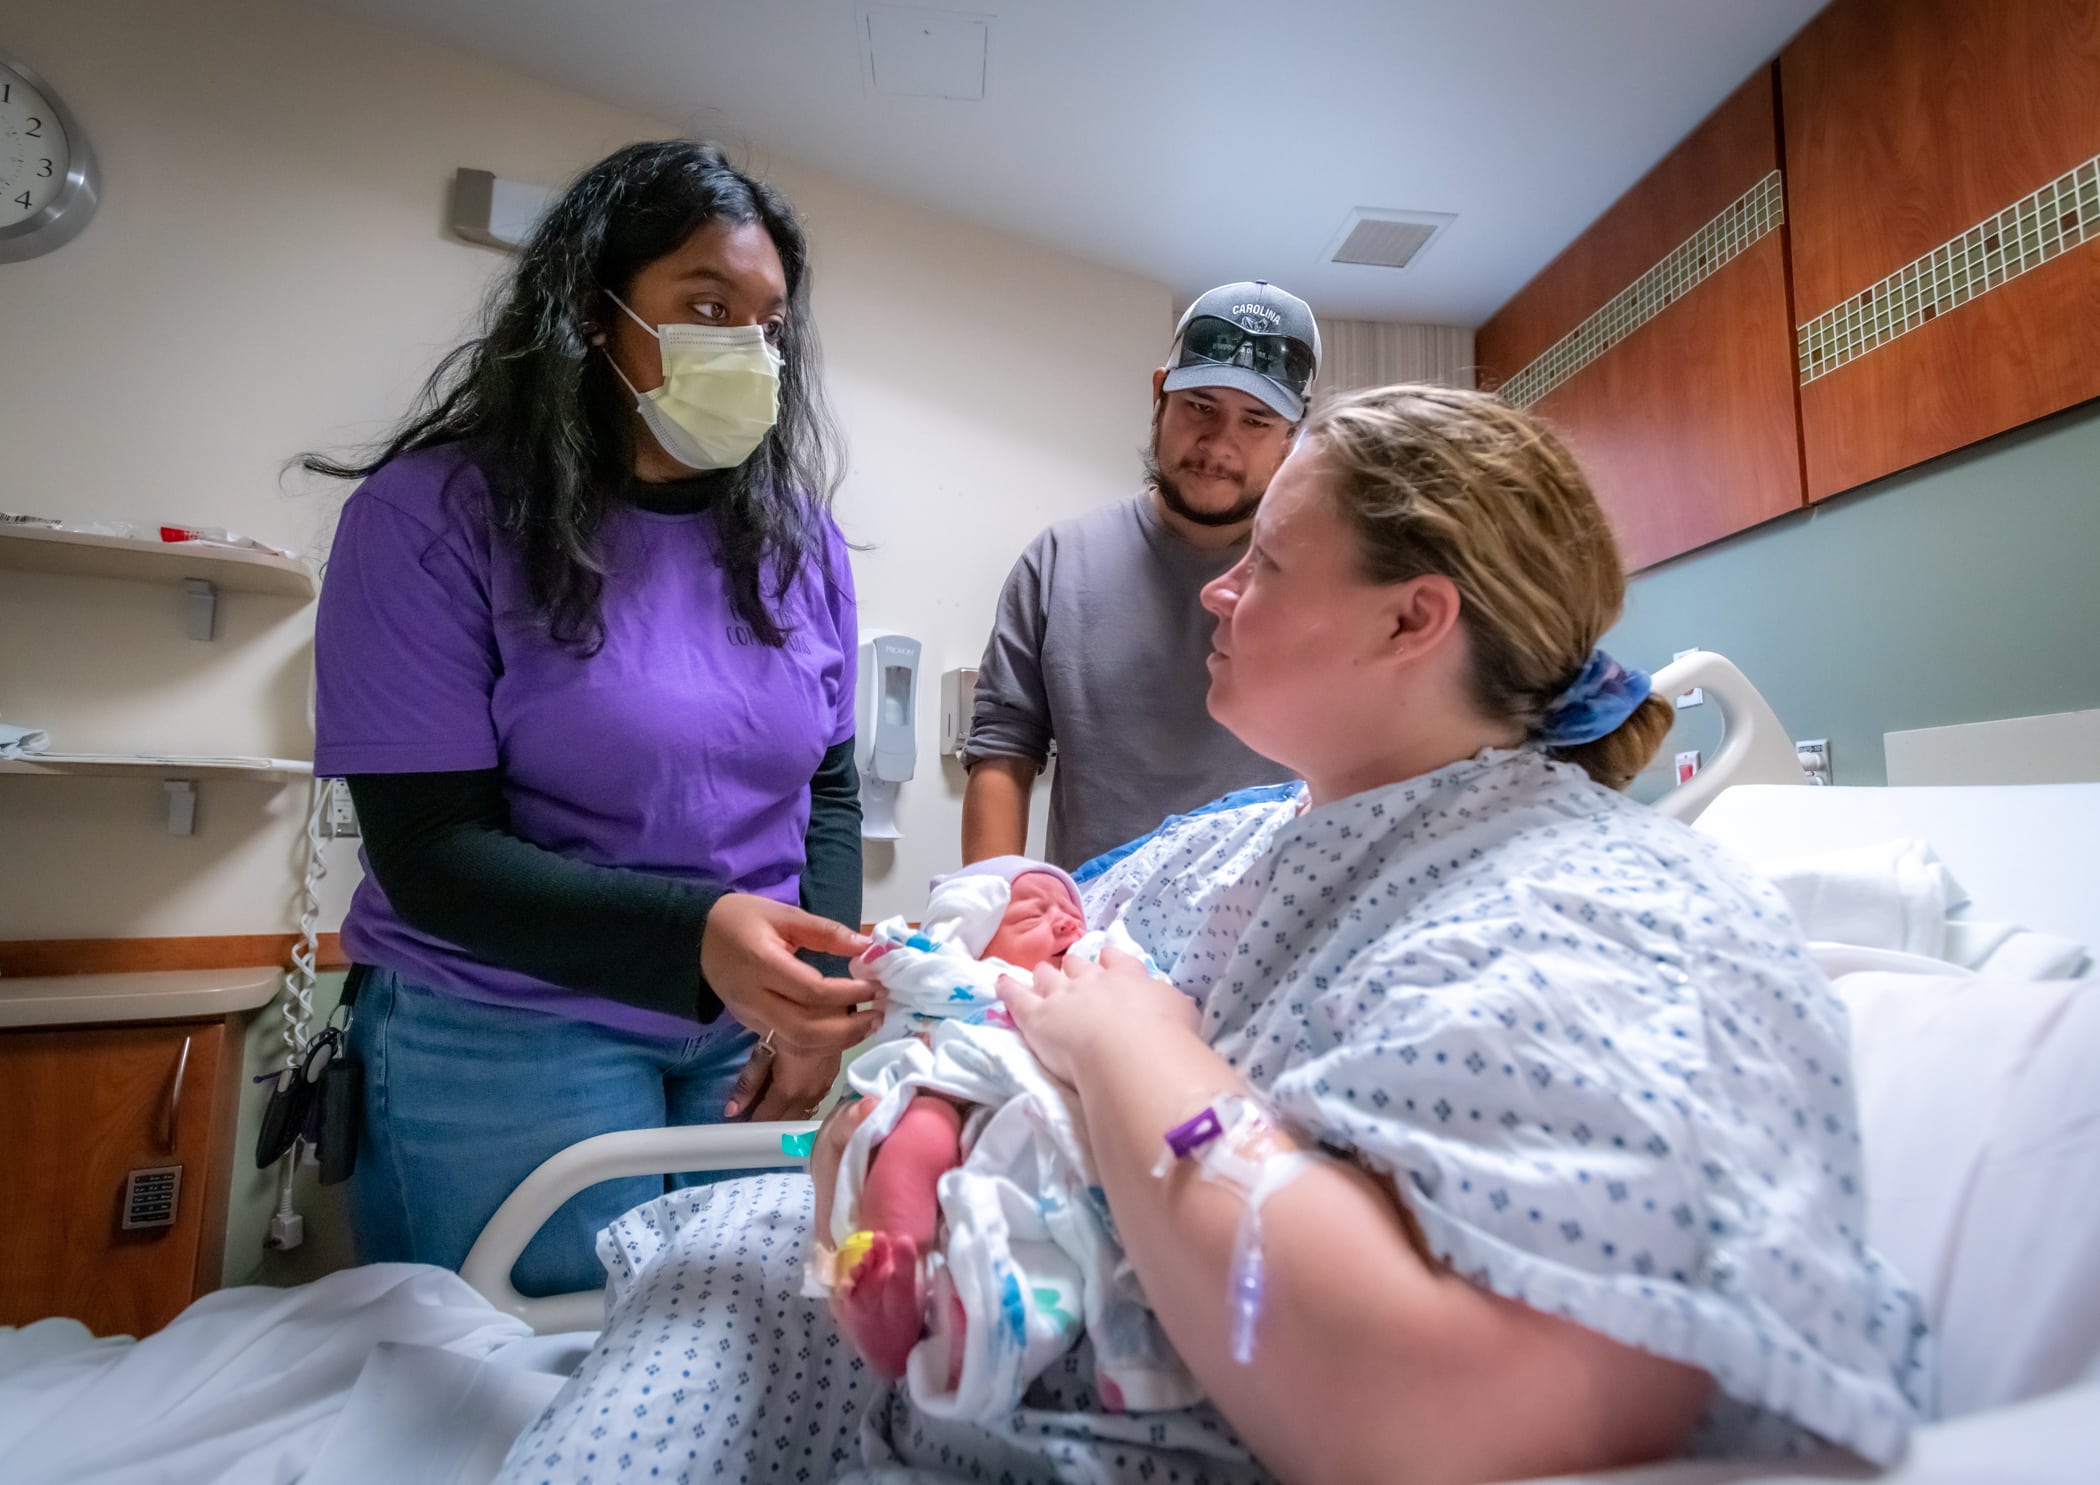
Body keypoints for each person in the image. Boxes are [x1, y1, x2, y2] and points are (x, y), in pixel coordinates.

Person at [500, 386, 1927, 1485]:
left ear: (1412, 618)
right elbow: (990, 987)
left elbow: (1437, 1410)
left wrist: (1134, 1048)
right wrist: (904, 1020)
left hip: (1098, 1408)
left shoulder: (1600, 911)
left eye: (1270, 566)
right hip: (848, 1323)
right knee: (715, 1276)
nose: (1222, 592)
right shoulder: (1253, 837)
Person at [307, 141, 880, 1299]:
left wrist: (817, 1011)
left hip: (747, 1035)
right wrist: (695, 937)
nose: (752, 352)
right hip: (508, 1035)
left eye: (770, 325)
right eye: (708, 307)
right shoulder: (430, 520)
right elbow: (432, 855)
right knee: (534, 1398)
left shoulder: (795, 539)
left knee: (729, 1381)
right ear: (590, 311)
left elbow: (826, 786)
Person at [961, 281, 1321, 871]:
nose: (1218, 444)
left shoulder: (1330, 580)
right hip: (1088, 941)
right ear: (1160, 395)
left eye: (1255, 421)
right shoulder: (1059, 563)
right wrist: (986, 904)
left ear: (1291, 438)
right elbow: (1002, 747)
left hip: (1274, 937)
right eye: (1200, 406)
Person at [816, 858, 1193, 1420]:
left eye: (1070, 911)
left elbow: (1152, 1001)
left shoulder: (1092, 960)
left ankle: (986, 1318)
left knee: (1078, 1215)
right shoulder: (965, 971)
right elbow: (912, 971)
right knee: (918, 1133)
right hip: (962, 1083)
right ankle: (890, 1261)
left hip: (1056, 1111)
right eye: (1033, 915)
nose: (1065, 921)